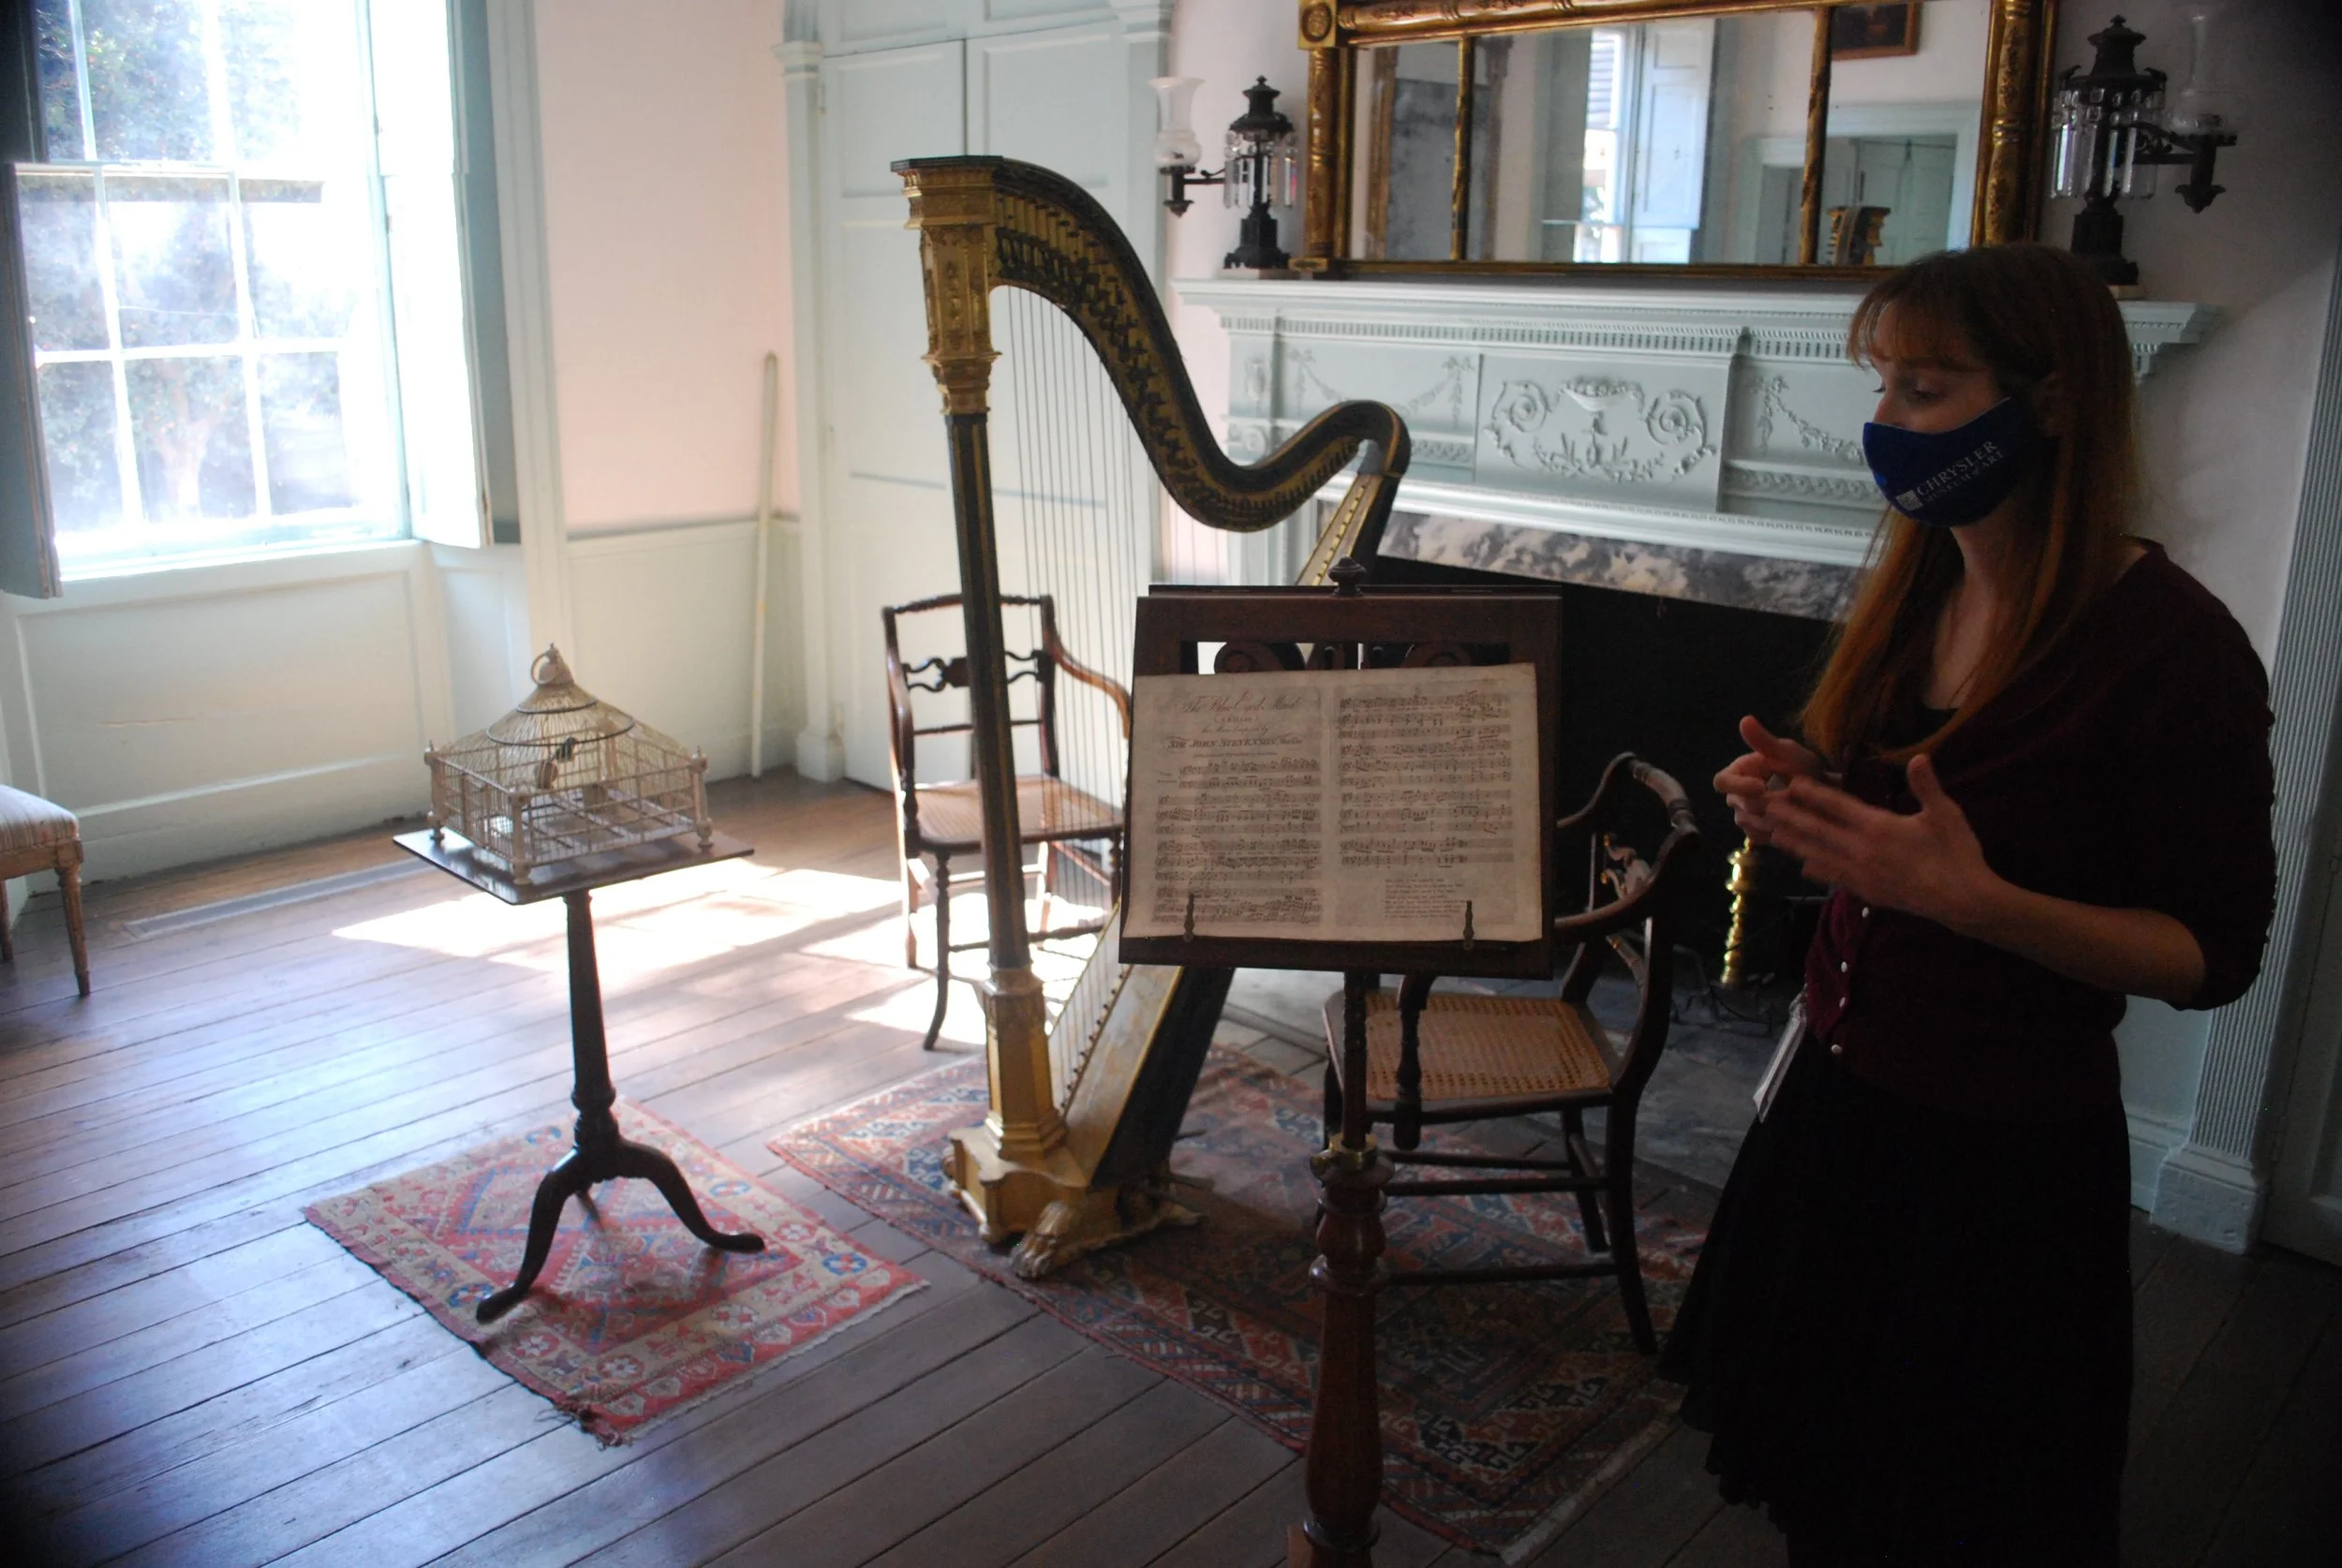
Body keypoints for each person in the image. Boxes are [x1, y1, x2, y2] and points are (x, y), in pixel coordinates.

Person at [1654, 243, 2277, 1565]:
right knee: (1829, 1497)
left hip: (1995, 1165)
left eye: (1926, 389)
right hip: (1837, 1108)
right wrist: (1816, 797)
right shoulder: (1923, 583)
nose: (1885, 423)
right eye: (1881, 384)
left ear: (2050, 402)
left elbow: (2211, 953)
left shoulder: (2175, 648)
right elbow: (1904, 818)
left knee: (1955, 1515)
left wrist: (1973, 900)